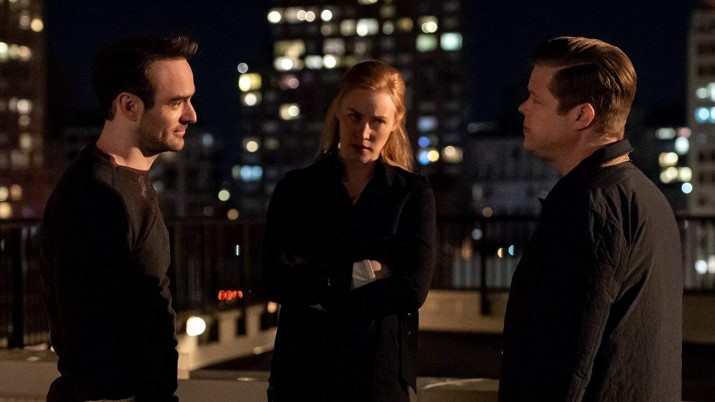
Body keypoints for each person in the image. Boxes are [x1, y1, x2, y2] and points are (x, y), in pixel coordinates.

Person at [499, 36, 682, 401]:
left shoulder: (585, 207)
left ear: (582, 115)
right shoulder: (648, 196)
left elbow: (562, 357)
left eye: (536, 99)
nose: (522, 108)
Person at [262, 60, 436, 402]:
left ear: (395, 123)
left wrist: (323, 296)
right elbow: (275, 279)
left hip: (377, 376)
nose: (364, 132)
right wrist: (362, 273)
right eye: (355, 117)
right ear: (338, 113)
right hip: (302, 373)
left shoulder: (412, 193)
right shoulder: (296, 188)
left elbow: (412, 288)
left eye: (377, 121)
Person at [40, 34, 198, 402]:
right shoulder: (94, 198)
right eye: (176, 102)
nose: (191, 115)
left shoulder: (128, 182)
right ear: (129, 105)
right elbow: (90, 338)